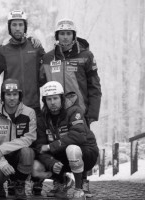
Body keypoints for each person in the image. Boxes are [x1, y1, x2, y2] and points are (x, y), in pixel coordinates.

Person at [39, 18, 102, 196]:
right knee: (55, 144)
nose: (65, 37)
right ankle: (60, 182)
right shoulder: (48, 57)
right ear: (57, 36)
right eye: (62, 34)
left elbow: (95, 86)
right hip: (54, 111)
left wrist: (92, 113)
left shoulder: (86, 56)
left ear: (74, 36)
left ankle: (84, 183)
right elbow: (41, 82)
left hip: (79, 112)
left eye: (68, 34)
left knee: (79, 147)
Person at [32, 81, 99, 200]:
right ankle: (62, 182)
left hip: (87, 152)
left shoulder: (74, 111)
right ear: (44, 101)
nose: (52, 102)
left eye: (55, 98)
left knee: (72, 149)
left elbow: (78, 136)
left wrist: (51, 146)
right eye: (49, 99)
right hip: (62, 154)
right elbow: (40, 147)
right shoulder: (42, 118)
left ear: (61, 98)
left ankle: (79, 189)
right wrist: (51, 163)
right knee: (36, 166)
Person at [0, 79, 37, 199]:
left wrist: (2, 148)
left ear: (20, 96)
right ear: (3, 96)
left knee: (28, 152)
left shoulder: (30, 113)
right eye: (8, 94)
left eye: (15, 94)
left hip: (16, 155)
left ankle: (19, 183)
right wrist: (2, 163)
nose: (12, 98)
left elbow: (29, 138)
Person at [0, 10, 45, 116]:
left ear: (25, 27)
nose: (17, 28)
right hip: (11, 106)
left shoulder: (35, 48)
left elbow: (47, 71)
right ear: (9, 27)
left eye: (21, 24)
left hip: (33, 105)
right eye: (14, 25)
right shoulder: (3, 51)